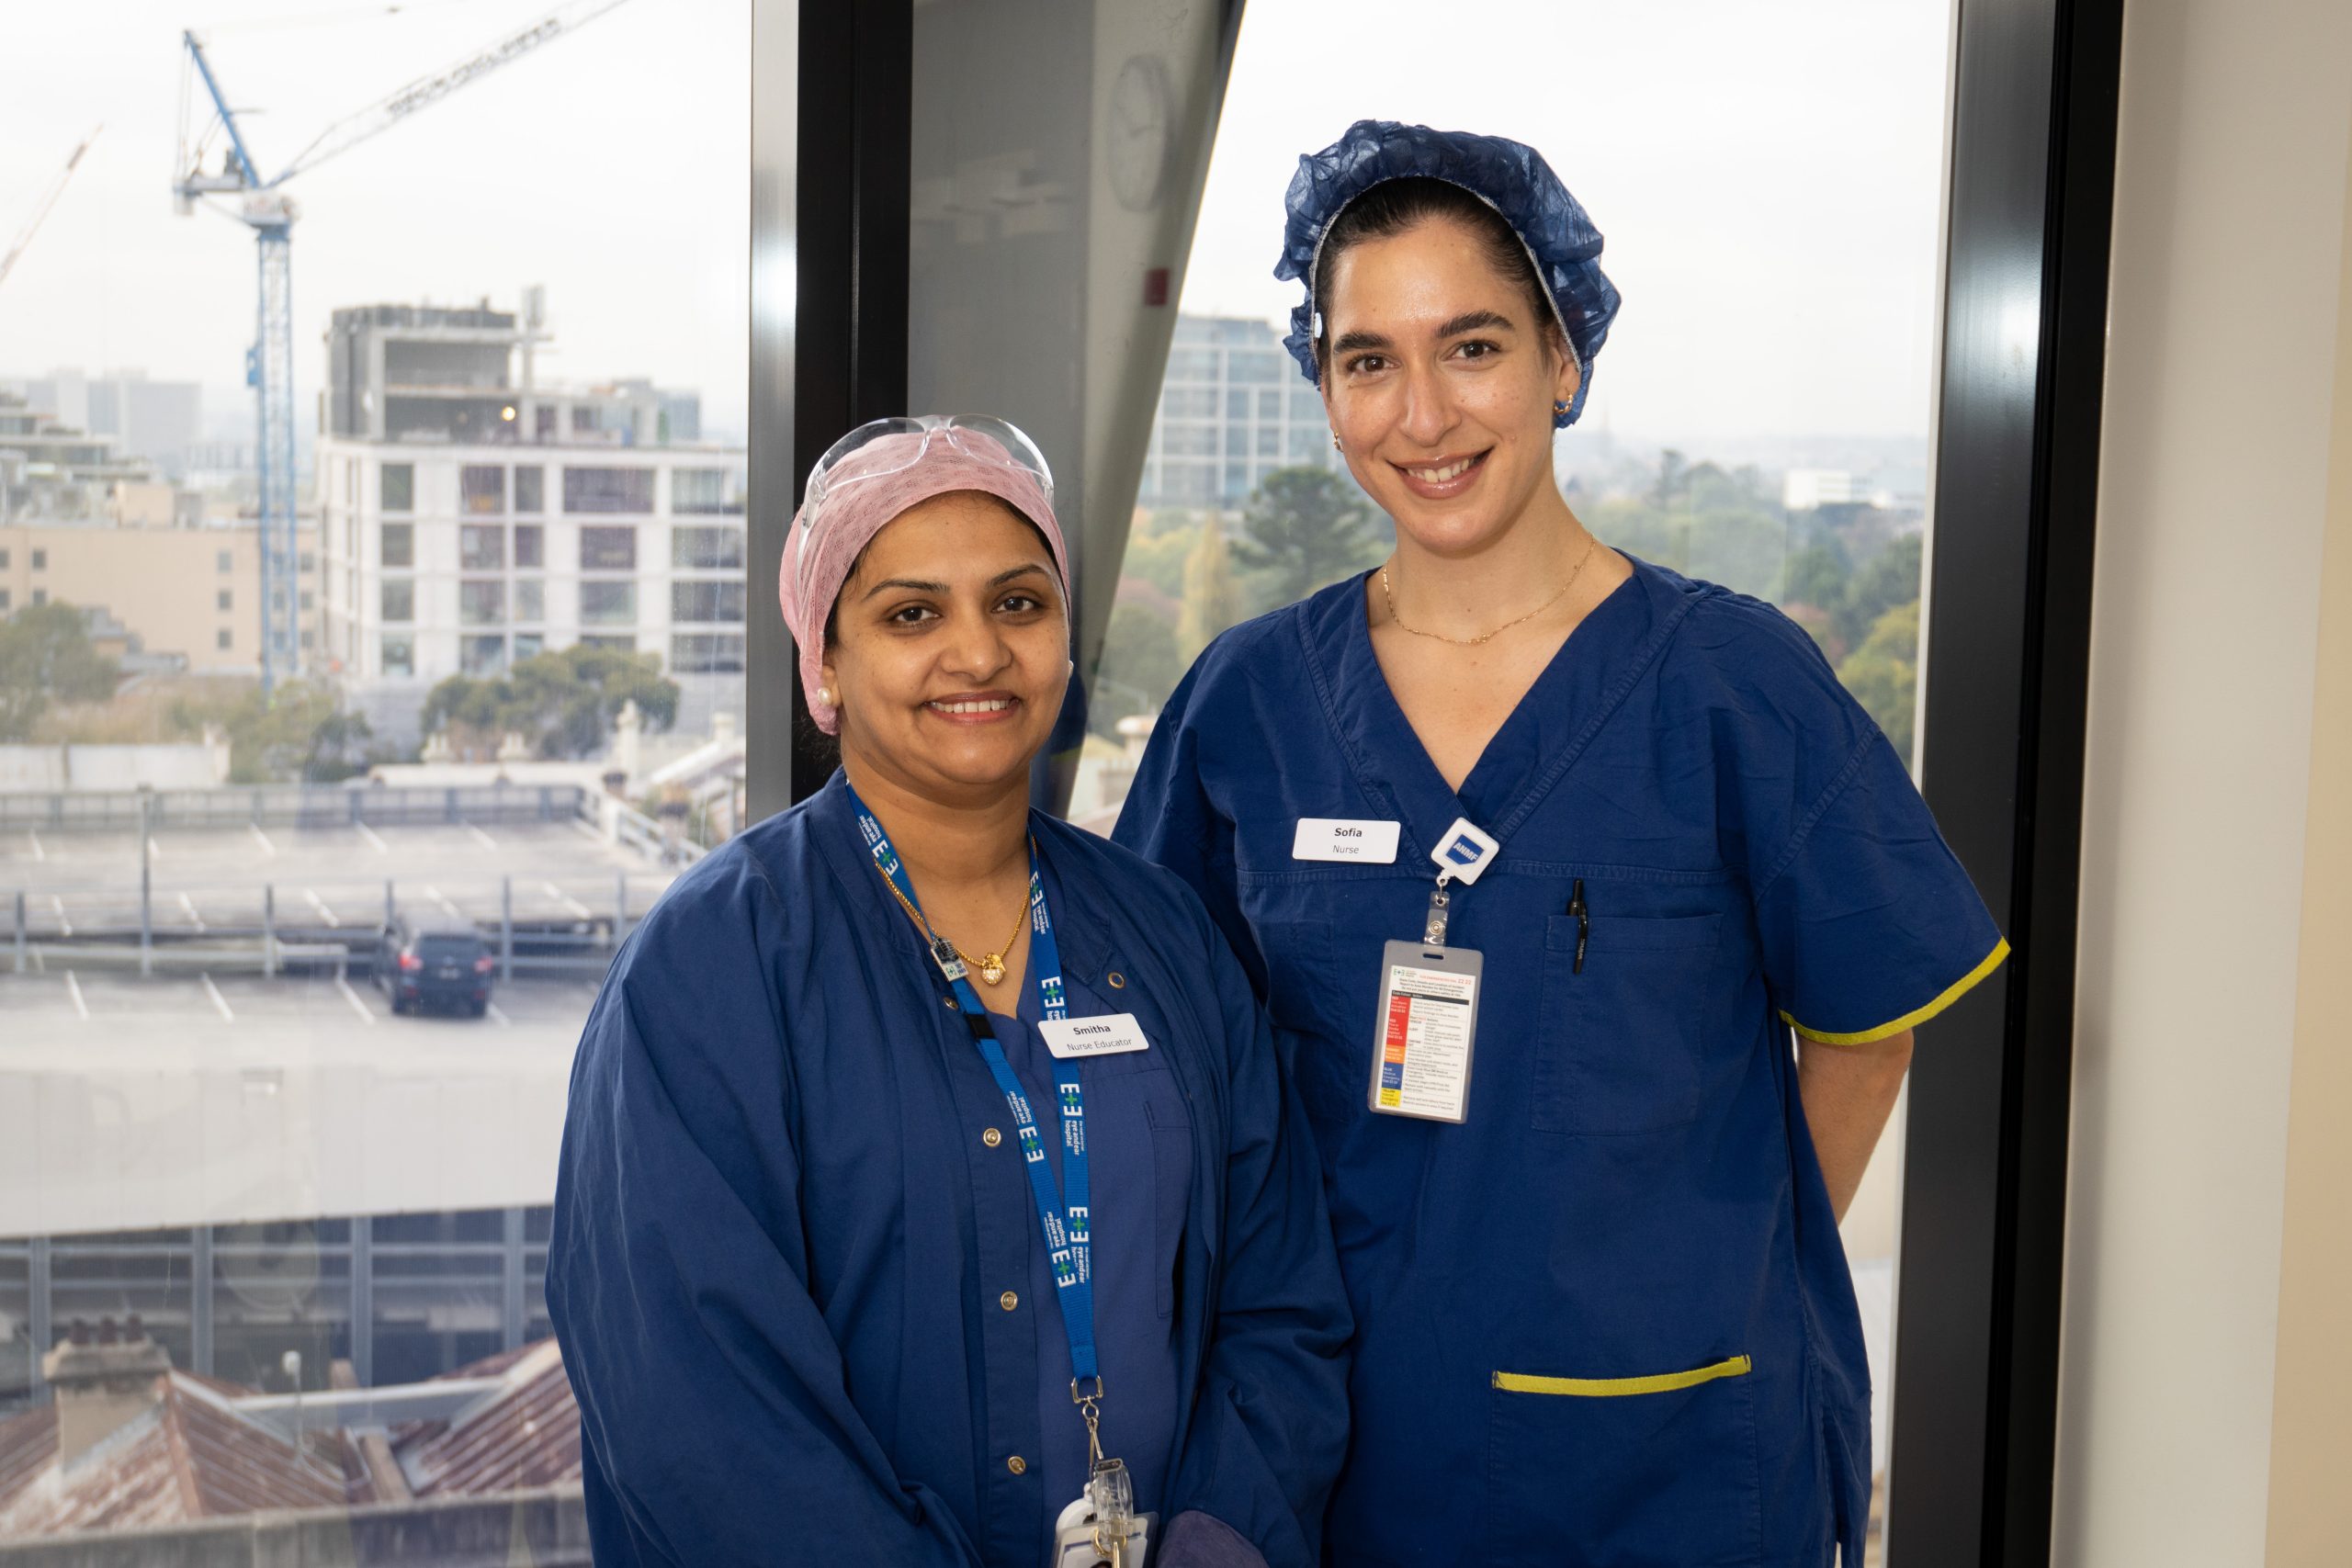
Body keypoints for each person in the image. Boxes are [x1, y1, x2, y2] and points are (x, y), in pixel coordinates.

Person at [1114, 121, 2007, 1567]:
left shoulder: (1731, 682)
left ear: (1564, 358)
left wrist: (1702, 1266)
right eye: (1367, 359)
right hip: (1337, 1451)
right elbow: (1178, 1057)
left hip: (1667, 1459)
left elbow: (1870, 1030)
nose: (1422, 414)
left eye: (1471, 345)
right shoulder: (1250, 700)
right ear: (1324, 390)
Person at [548, 416, 1351, 1567]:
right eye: (911, 614)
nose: (977, 653)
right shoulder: (709, 970)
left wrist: (1221, 1540)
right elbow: (695, 1410)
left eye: (1019, 604)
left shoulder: (1165, 933)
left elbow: (1282, 1303)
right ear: (823, 662)